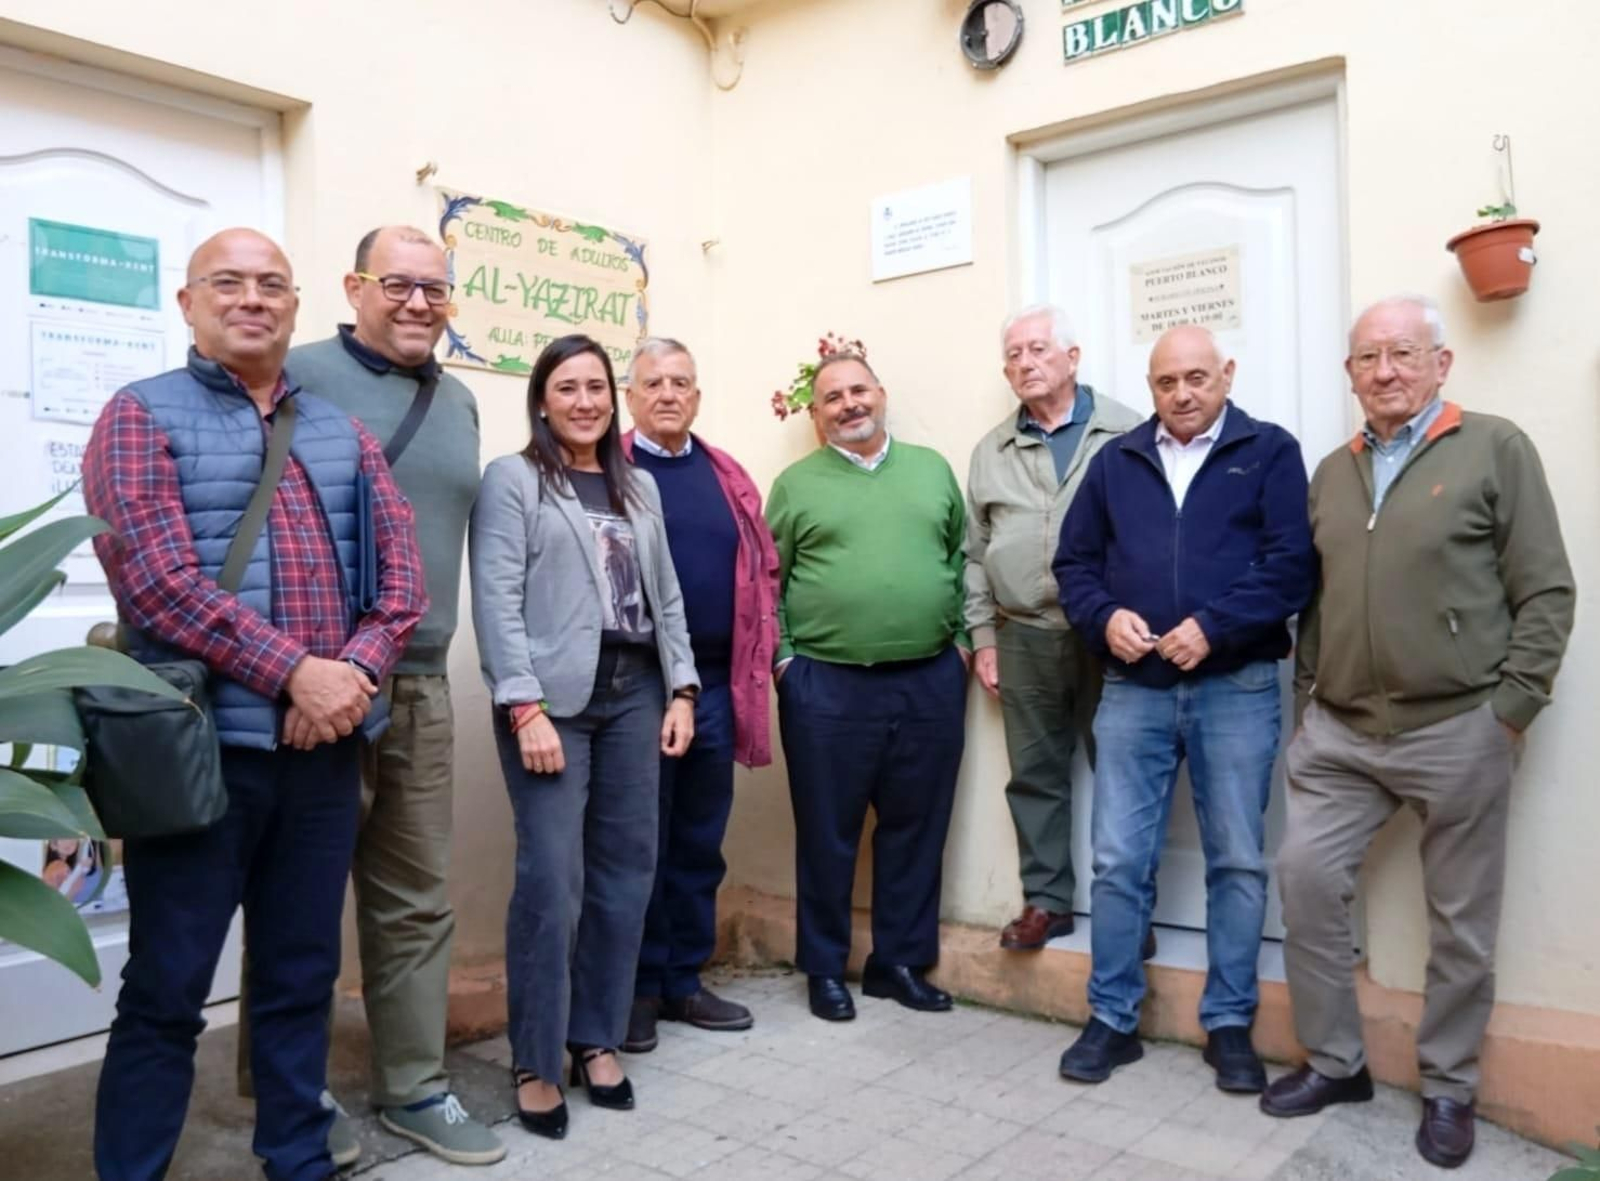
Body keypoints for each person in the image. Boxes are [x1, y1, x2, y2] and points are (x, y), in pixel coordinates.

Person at [83, 228, 427, 1181]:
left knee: (300, 974)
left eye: (272, 283)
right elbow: (154, 580)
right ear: (188, 304)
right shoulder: (138, 416)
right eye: (226, 282)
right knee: (166, 988)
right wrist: (295, 672)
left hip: (320, 758)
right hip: (202, 760)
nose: (252, 298)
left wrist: (349, 672)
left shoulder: (340, 431)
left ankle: (297, 1153)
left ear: (294, 303)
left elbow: (402, 579)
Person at [1263, 296, 1575, 1168]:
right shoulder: (1332, 470)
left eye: (1403, 353)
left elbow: (1546, 590)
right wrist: (1312, 699)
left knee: (1461, 920)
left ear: (1441, 363)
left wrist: (1508, 710)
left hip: (1457, 728)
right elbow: (1317, 599)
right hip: (1343, 732)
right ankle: (1336, 1061)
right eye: (1367, 358)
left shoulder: (1495, 448)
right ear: (1350, 375)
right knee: (1304, 877)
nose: (1385, 371)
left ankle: (1448, 1087)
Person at [272, 226, 499, 1166]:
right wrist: (284, 666)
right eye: (398, 284)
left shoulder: (461, 402)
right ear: (356, 285)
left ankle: (413, 1086)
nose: (418, 303)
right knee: (295, 897)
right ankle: (289, 1096)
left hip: (418, 682)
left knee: (413, 898)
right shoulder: (297, 372)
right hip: (309, 686)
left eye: (436, 289)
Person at [1053, 324, 1314, 1091]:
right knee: (1117, 860)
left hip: (1234, 687)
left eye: (1197, 377)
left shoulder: (1269, 451)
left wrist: (1216, 625)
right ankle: (1112, 1016)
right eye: (1167, 382)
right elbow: (1073, 564)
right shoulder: (1118, 461)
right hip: (1135, 689)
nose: (1183, 394)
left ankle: (1229, 1022)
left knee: (1236, 857)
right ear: (1152, 384)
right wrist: (1104, 617)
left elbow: (1292, 565)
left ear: (1226, 374)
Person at [469, 334, 698, 1140]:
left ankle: (594, 1034)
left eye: (597, 386)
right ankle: (535, 1057)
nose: (585, 401)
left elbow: (667, 598)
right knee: (553, 880)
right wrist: (523, 705)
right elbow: (496, 599)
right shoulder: (515, 479)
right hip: (554, 702)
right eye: (567, 387)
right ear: (542, 399)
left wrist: (683, 689)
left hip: (636, 693)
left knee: (626, 871)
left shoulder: (638, 488)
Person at [767, 352, 969, 1023]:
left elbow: (960, 557)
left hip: (929, 678)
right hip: (827, 685)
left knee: (916, 826)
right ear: (816, 412)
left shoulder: (932, 470)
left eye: (859, 390)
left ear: (881, 393)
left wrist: (964, 646)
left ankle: (898, 963)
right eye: (833, 397)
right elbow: (768, 582)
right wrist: (787, 662)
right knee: (828, 832)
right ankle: (825, 968)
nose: (849, 404)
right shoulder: (796, 485)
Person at [617, 338, 779, 1054]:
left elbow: (762, 569)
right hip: (638, 689)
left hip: (716, 686)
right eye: (653, 382)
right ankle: (636, 988)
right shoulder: (607, 469)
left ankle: (683, 978)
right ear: (631, 395)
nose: (668, 393)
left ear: (697, 395)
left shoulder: (724, 473)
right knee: (637, 843)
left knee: (697, 841)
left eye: (681, 382)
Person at [964, 304, 1142, 951]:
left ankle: (1130, 910)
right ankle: (1046, 900)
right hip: (1025, 633)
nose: (1025, 362)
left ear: (1072, 356)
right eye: (1013, 354)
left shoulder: (1126, 431)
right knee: (1034, 773)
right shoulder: (991, 450)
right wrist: (984, 639)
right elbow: (976, 555)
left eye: (1038, 349)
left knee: (1126, 769)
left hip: (1112, 633)